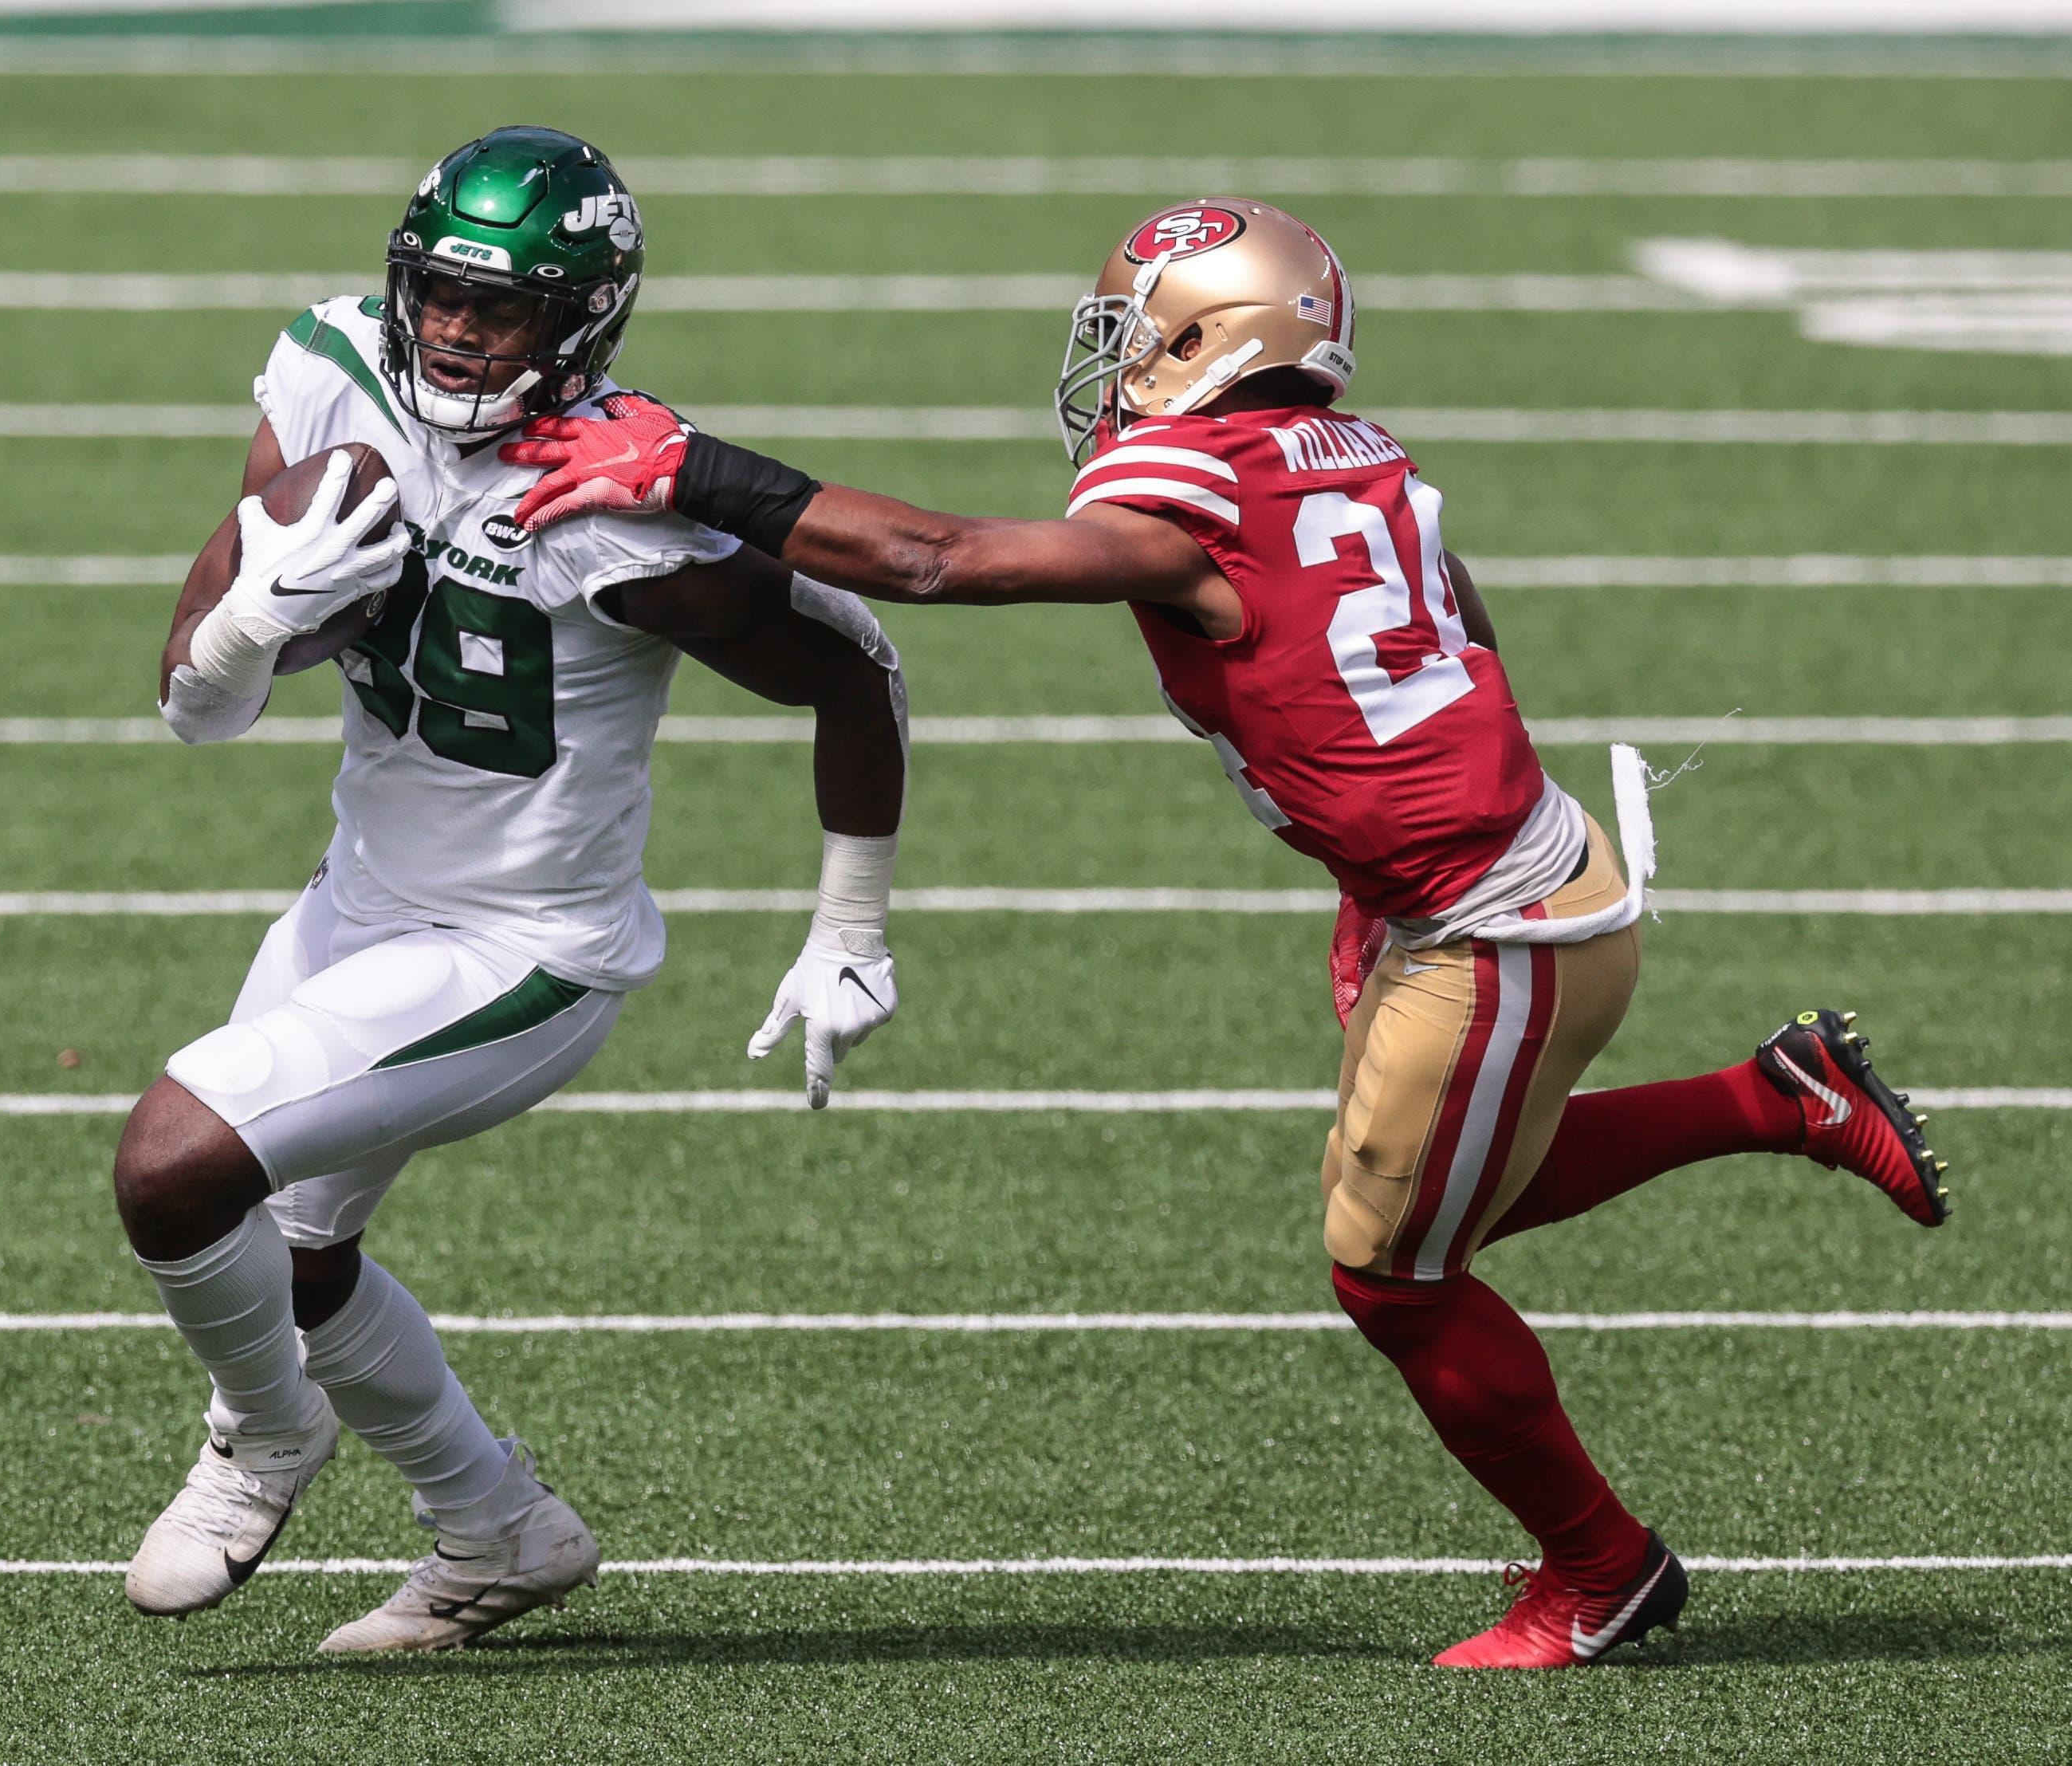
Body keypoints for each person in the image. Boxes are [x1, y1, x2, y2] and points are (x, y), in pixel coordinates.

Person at [496, 196, 1952, 1670]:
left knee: (1394, 1275)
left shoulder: (1184, 479)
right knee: (1434, 1194)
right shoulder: (1353, 448)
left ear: (1214, 338)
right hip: (1496, 881)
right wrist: (1372, 872)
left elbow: (937, 563)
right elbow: (1464, 630)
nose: (1116, 365)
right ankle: (1779, 1099)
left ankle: (1602, 1570)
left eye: (1138, 334)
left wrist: (690, 466)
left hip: (1497, 930)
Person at [114, 126, 909, 1654]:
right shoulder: (333, 371)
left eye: (507, 310)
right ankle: (499, 1530)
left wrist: (850, 919)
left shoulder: (613, 499)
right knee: (298, 1253)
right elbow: (196, 714)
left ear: (584, 322)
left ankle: (259, 1436)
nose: (457, 332)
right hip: (363, 894)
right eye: (440, 294)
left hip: (526, 950)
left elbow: (855, 663)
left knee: (173, 1166)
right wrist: (240, 633)